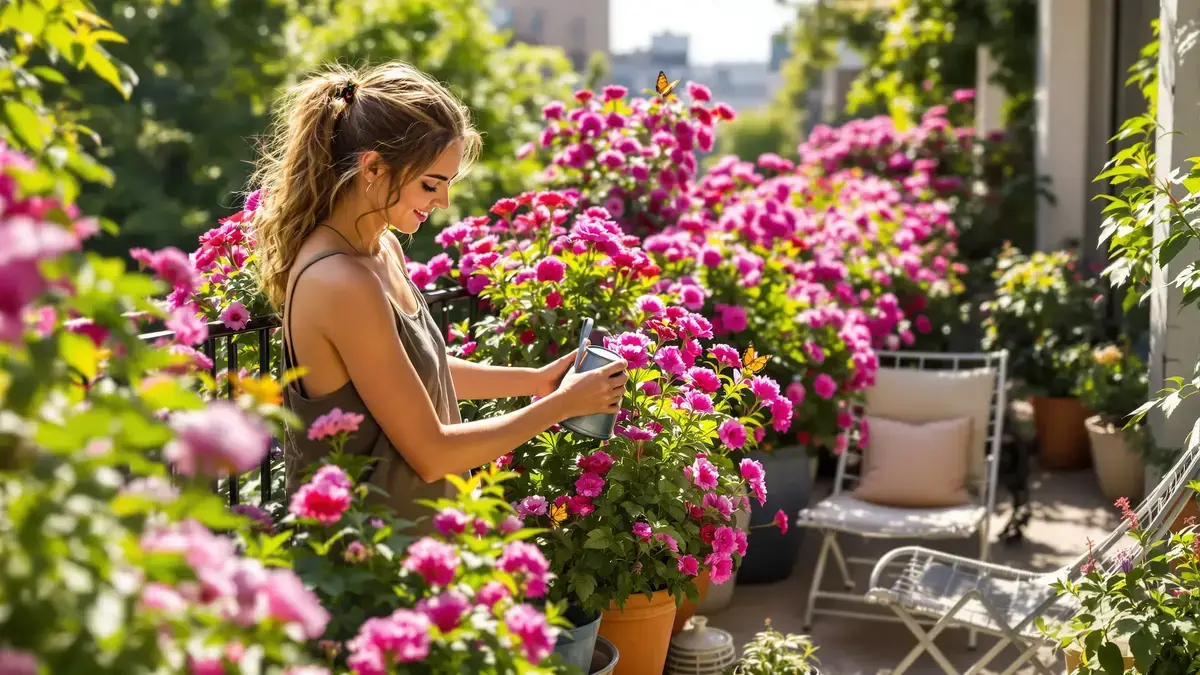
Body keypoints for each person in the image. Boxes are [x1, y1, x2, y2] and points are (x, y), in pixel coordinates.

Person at [249, 62, 627, 523]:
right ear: (372, 167)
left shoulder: (380, 248)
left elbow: (413, 370)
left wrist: (537, 381)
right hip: (367, 565)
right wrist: (563, 405)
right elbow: (431, 453)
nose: (443, 202)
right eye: (431, 184)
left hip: (416, 549)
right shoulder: (340, 281)